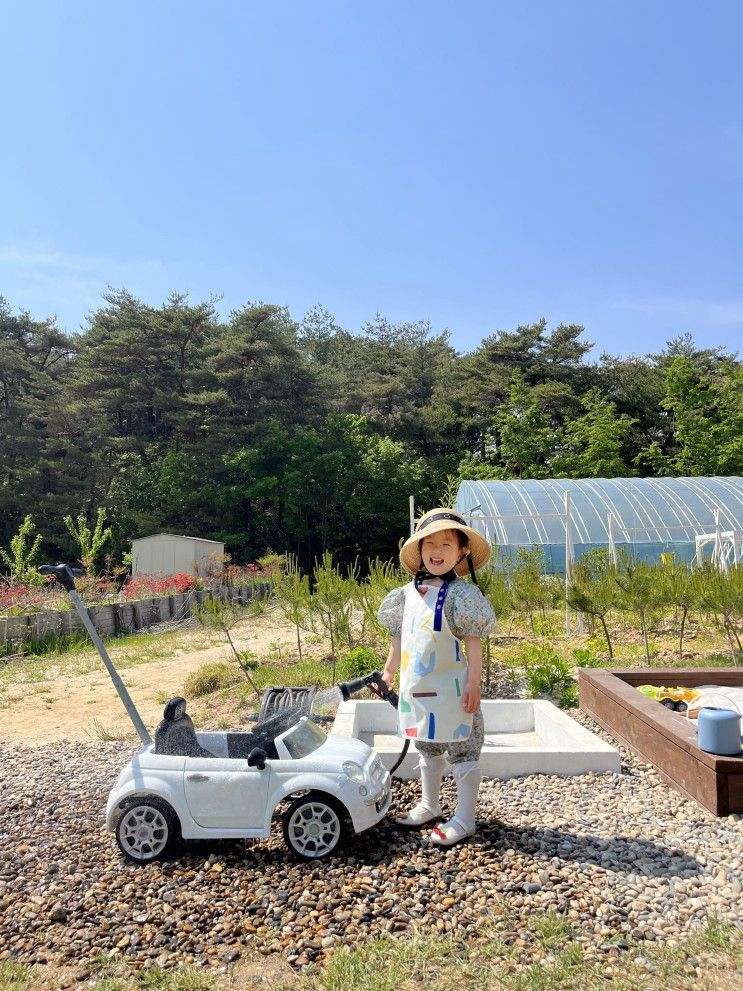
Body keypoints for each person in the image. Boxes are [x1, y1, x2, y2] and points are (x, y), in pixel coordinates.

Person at [378, 507, 496, 847]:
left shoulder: (463, 597)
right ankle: (430, 804)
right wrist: (389, 670)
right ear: (419, 551)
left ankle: (465, 817)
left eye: (446, 544)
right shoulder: (406, 596)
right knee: (426, 746)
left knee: (463, 750)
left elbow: (473, 646)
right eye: (429, 543)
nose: (436, 550)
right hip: (419, 690)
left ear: (462, 553)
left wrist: (474, 684)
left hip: (456, 692)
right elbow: (400, 638)